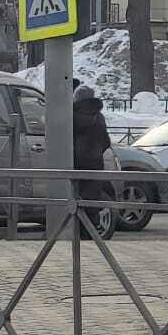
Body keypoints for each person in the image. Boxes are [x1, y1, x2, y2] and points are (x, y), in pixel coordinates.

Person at [73, 84, 112, 232]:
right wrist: (95, 152)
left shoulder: (72, 116)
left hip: (75, 165)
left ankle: (76, 232)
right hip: (95, 164)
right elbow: (106, 142)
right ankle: (91, 232)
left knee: (75, 200)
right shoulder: (99, 117)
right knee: (92, 200)